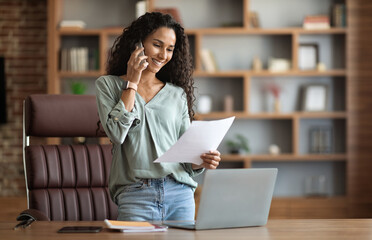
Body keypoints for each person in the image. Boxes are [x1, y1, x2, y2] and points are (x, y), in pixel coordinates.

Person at [95, 12, 221, 222]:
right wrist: (132, 83)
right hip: (135, 196)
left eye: (170, 49)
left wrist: (203, 161)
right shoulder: (108, 85)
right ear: (138, 44)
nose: (163, 55)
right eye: (157, 45)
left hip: (180, 194)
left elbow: (186, 160)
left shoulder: (176, 94)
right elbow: (117, 133)